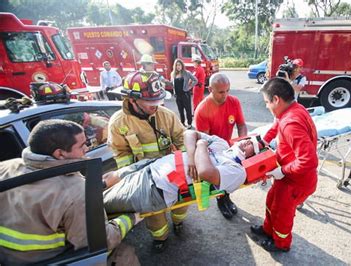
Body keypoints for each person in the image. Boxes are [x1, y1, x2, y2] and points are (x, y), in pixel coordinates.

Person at [0, 120, 140, 265]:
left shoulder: (6, 167)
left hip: (7, 257)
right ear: (60, 153)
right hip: (53, 259)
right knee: (124, 255)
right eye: (81, 145)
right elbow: (100, 240)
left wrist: (99, 185)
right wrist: (131, 218)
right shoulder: (74, 192)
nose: (87, 148)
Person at [107, 70, 188, 252]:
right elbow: (120, 153)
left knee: (182, 200)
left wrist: (185, 161)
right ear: (132, 100)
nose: (156, 105)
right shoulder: (119, 123)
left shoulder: (166, 115)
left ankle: (179, 223)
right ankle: (161, 237)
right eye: (151, 101)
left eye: (158, 100)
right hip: (145, 179)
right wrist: (131, 176)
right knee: (154, 213)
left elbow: (182, 138)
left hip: (173, 171)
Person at [102, 130, 268, 213]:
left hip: (156, 188)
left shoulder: (237, 170)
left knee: (101, 203)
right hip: (153, 165)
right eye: (249, 139)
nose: (247, 143)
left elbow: (205, 172)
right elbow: (189, 133)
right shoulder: (222, 144)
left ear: (251, 157)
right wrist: (190, 157)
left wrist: (202, 145)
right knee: (109, 178)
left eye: (252, 147)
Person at [251, 77, 318, 252]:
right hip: (286, 177)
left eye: (267, 102)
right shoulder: (290, 110)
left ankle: (281, 243)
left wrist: (282, 170)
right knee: (271, 200)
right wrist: (261, 144)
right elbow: (275, 126)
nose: (266, 106)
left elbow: (308, 161)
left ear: (276, 100)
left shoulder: (291, 123)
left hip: (295, 181)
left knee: (282, 214)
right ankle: (267, 230)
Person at [194, 73, 248, 219]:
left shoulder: (234, 102)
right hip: (213, 151)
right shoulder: (202, 110)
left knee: (231, 175)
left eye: (227, 91)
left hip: (228, 148)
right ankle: (220, 200)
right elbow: (205, 141)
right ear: (210, 89)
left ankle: (226, 197)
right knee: (219, 178)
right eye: (221, 92)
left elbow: (241, 124)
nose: (225, 95)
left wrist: (241, 141)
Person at [171, 59, 198, 128]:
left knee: (188, 109)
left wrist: (189, 87)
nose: (178, 66)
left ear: (182, 65)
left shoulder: (187, 73)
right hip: (177, 96)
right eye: (176, 65)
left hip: (185, 95)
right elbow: (173, 84)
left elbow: (195, 80)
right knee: (180, 111)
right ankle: (182, 123)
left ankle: (189, 123)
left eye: (179, 65)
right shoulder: (173, 74)